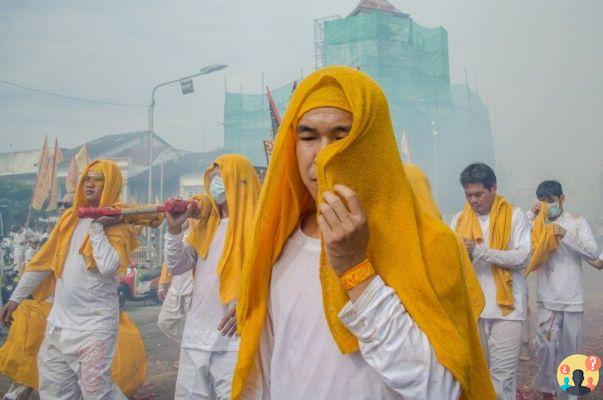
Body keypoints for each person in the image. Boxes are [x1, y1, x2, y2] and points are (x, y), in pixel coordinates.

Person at [232, 66, 494, 400]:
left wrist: (357, 272)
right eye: (308, 137)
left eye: (342, 136)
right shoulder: (278, 248)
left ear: (371, 145)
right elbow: (266, 375)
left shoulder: (432, 245)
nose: (323, 154)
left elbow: (442, 389)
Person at [0, 160, 140, 399]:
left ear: (111, 185)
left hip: (94, 328)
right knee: (54, 392)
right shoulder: (69, 220)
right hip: (59, 325)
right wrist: (15, 298)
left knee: (97, 392)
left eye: (98, 180)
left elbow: (108, 267)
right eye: (87, 179)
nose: (90, 184)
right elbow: (42, 262)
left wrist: (98, 228)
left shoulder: (120, 225)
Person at [164, 154, 261, 399]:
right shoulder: (205, 225)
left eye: (222, 178)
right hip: (196, 338)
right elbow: (177, 265)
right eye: (213, 179)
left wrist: (248, 305)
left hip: (234, 342)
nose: (216, 185)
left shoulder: (261, 227)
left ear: (240, 181)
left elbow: (272, 280)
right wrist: (174, 231)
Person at [450, 162, 531, 400]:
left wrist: (479, 251)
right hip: (473, 309)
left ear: (493, 189)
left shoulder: (515, 215)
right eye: (468, 195)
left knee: (502, 378)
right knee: (477, 375)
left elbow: (523, 257)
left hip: (507, 310)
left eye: (478, 194)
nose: (473, 200)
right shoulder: (458, 220)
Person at [525, 180, 600, 400]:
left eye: (552, 201)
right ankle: (548, 391)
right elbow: (520, 240)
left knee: (571, 353)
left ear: (562, 199)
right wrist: (532, 215)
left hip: (572, 298)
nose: (549, 206)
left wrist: (564, 235)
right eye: (544, 202)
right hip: (547, 298)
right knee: (545, 348)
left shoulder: (577, 222)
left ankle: (571, 395)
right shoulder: (537, 223)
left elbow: (593, 252)